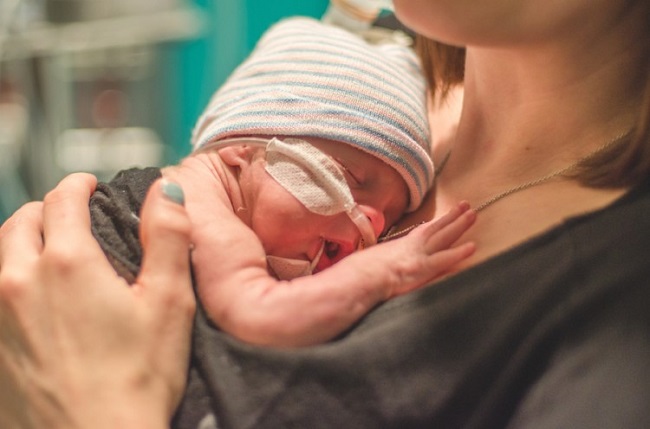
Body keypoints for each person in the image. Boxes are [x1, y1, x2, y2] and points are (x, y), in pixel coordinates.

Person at [2, 0, 650, 427]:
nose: (368, 225)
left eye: (379, 204)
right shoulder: (358, 62)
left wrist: (100, 410)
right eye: (350, 180)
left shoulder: (614, 324)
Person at [89, 17, 476, 351]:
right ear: (241, 147)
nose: (372, 222)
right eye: (351, 177)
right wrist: (381, 272)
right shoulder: (201, 208)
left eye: (391, 218)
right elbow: (260, 314)